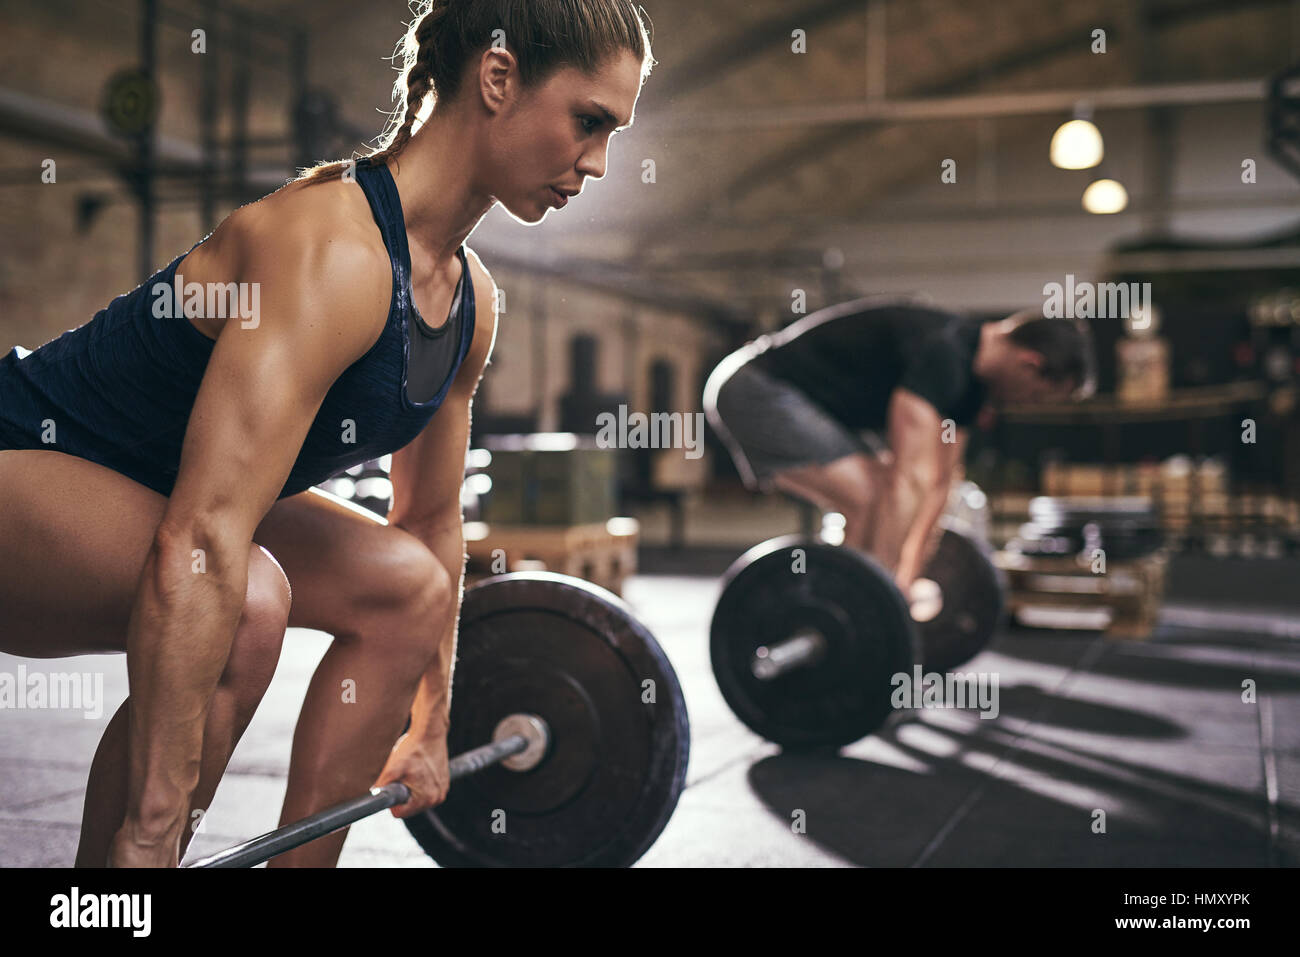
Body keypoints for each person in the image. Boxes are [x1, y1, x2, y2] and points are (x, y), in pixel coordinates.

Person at [0, 0, 654, 868]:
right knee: (245, 604)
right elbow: (204, 536)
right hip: (30, 459)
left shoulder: (470, 303)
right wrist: (151, 831)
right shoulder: (330, 252)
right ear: (497, 79)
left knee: (408, 585)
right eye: (589, 121)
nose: (601, 162)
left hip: (168, 499)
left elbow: (428, 524)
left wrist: (431, 726)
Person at [704, 296, 1095, 594]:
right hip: (753, 384)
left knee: (880, 501)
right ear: (1030, 363)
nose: (1030, 404)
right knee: (874, 497)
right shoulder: (943, 352)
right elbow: (909, 481)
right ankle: (844, 605)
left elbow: (940, 485)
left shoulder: (973, 390)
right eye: (1040, 395)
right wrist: (885, 589)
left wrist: (906, 576)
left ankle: (844, 601)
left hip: (815, 407)